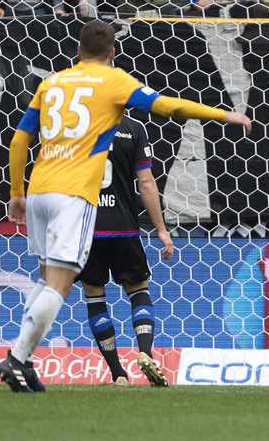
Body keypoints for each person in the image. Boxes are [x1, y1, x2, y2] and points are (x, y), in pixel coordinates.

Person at [0, 19, 251, 393]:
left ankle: (23, 359)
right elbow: (168, 106)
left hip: (38, 190)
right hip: (73, 195)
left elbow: (20, 140)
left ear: (78, 52)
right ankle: (18, 360)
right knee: (60, 284)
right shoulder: (114, 81)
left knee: (46, 280)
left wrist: (16, 190)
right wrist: (224, 114)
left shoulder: (51, 83)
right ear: (113, 53)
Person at [78, 114, 173, 388]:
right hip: (124, 228)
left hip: (87, 229)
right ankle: (145, 352)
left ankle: (118, 373)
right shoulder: (132, 128)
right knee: (138, 291)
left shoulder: (75, 126)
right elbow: (146, 182)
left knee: (95, 297)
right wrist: (161, 229)